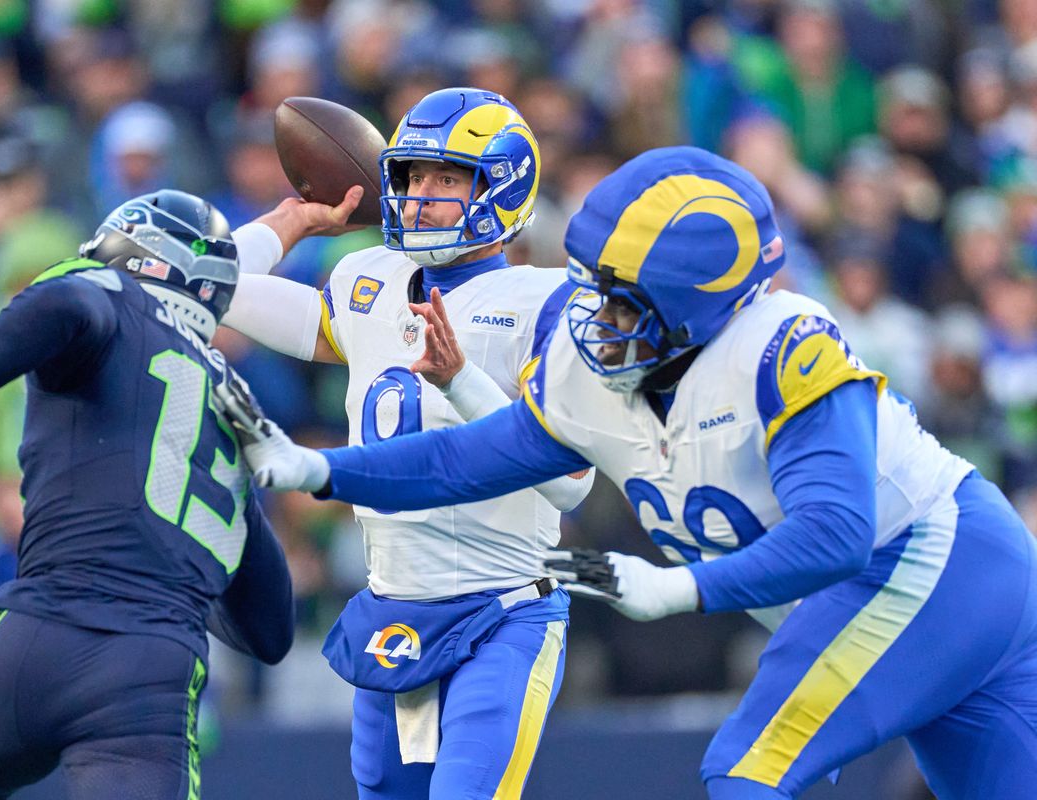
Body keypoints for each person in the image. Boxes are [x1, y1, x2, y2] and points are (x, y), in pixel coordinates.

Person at [219, 147, 1037, 799]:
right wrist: (319, 470)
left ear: (696, 304)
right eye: (593, 287)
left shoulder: (783, 346)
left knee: (746, 768)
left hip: (933, 564)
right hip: (915, 586)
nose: (595, 318)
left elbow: (840, 534)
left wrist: (678, 589)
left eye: (620, 297)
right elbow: (467, 459)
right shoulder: (593, 369)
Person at [221, 87, 594, 799]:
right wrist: (290, 218)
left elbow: (572, 481)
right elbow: (211, 285)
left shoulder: (546, 302)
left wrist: (461, 382)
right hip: (395, 610)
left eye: (447, 178)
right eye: (412, 176)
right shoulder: (370, 279)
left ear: (502, 187)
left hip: (502, 611)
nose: (422, 196)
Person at [0, 190, 295, 800]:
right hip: (147, 671)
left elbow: (64, 299)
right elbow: (271, 631)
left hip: (30, 640)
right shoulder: (236, 408)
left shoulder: (103, 296)